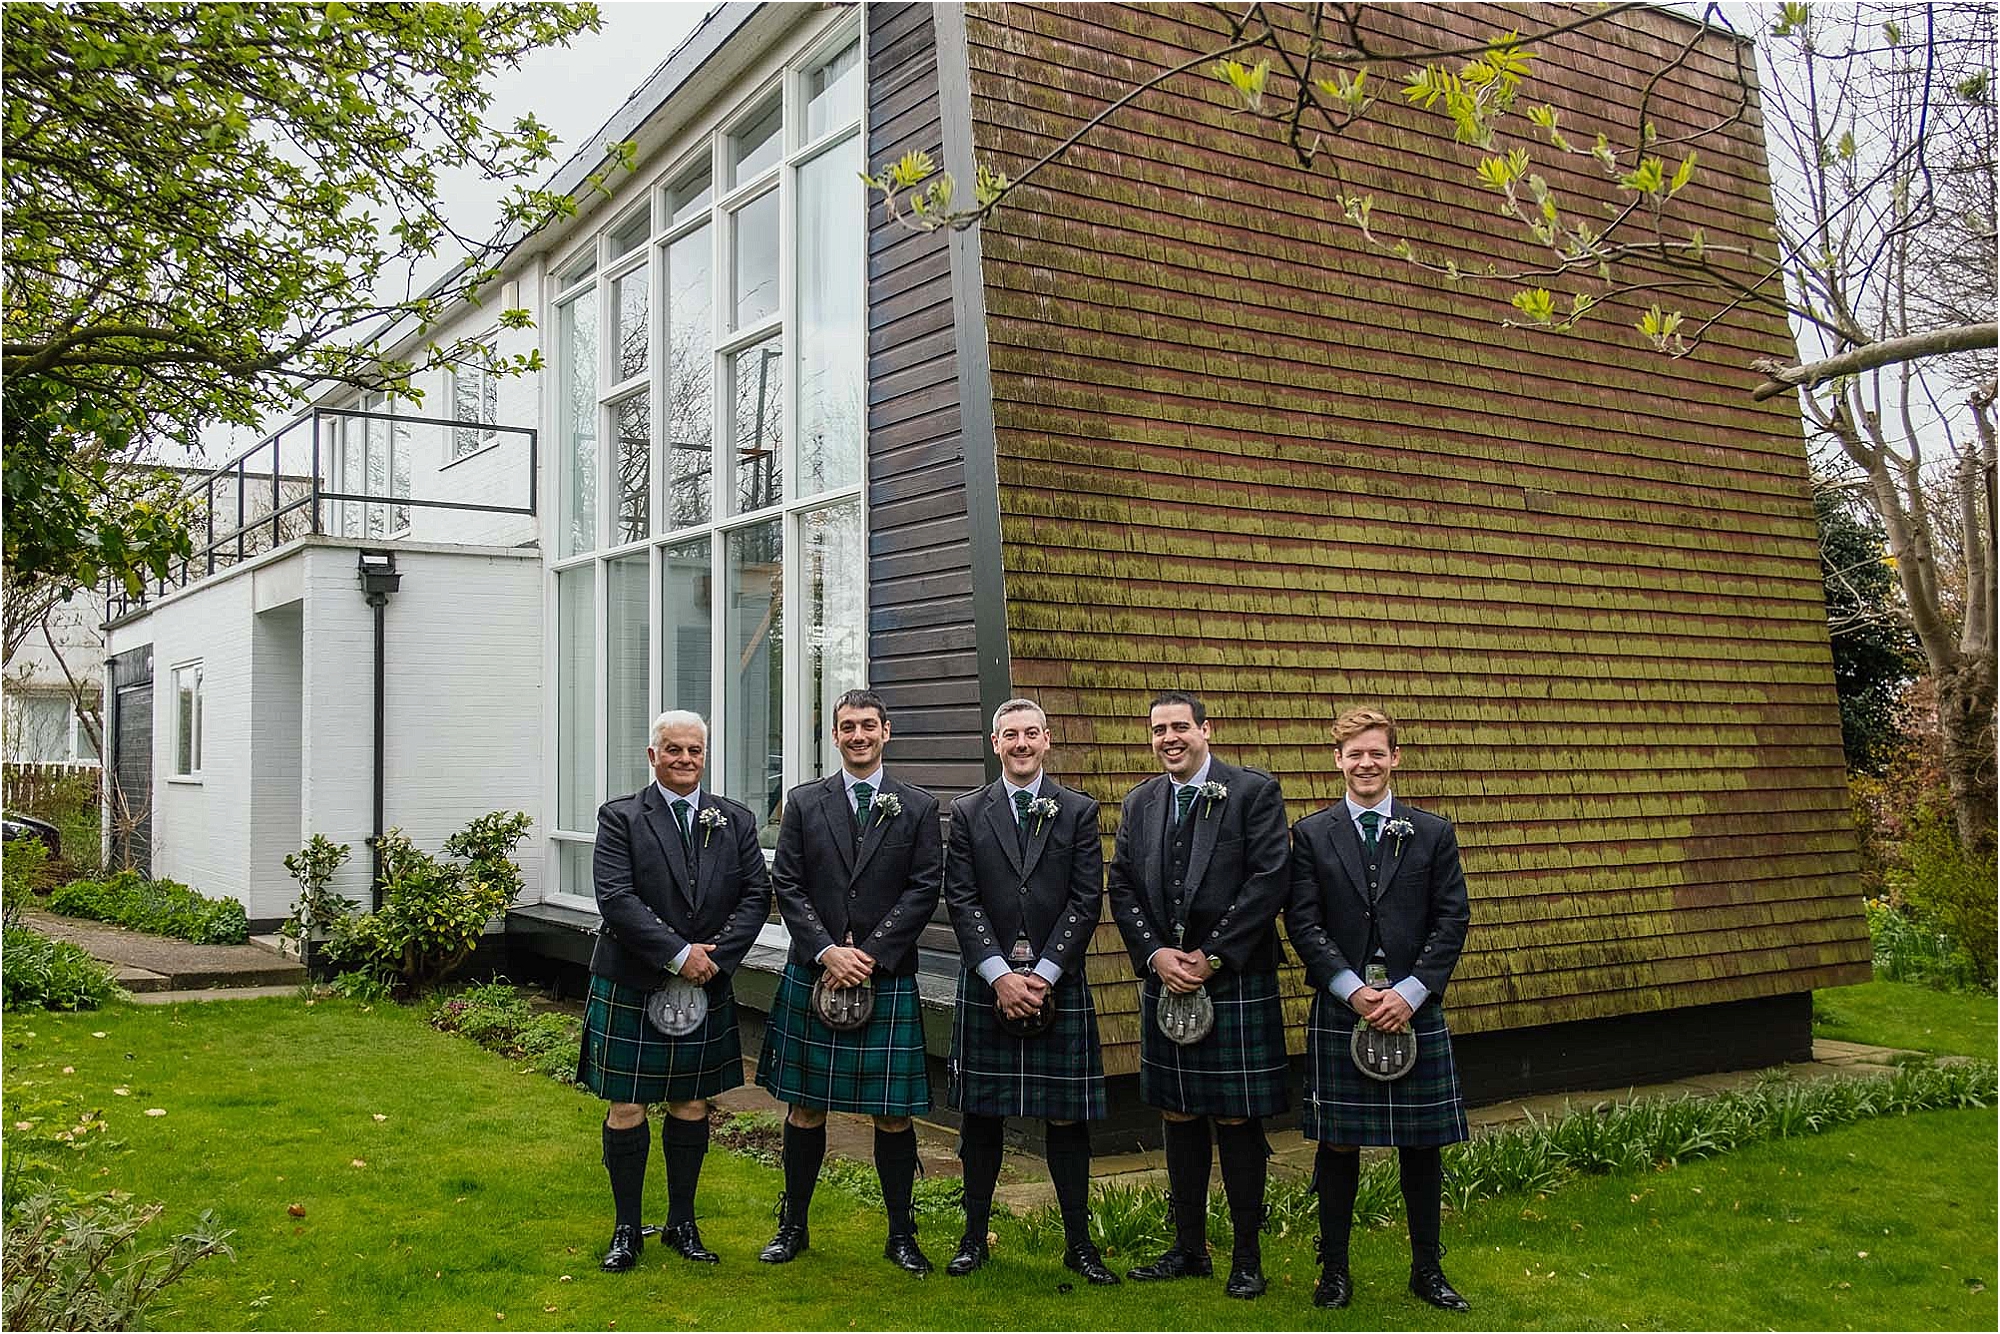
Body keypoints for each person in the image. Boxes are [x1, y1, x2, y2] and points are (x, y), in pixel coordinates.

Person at [1285, 706, 1472, 1313]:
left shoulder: (1433, 832)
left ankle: (1427, 1270)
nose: (1366, 764)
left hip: (1413, 1007)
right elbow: (1304, 923)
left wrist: (1410, 992)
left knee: (1422, 1143)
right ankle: (1333, 1272)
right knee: (1338, 1142)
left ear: (1395, 758)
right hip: (1345, 1009)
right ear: (1337, 760)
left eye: (1377, 753)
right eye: (1354, 754)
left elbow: (1451, 921)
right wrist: (1351, 989)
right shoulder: (1311, 834)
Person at [1106, 689, 1290, 1298]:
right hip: (1166, 979)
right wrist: (1156, 956)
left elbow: (1269, 882)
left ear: (1206, 729)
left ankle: (1246, 1256)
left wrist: (1211, 957)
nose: (1169, 739)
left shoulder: (1252, 792)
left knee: (1237, 1116)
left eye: (1179, 727)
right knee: (1177, 1110)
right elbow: (1123, 884)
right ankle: (1188, 1247)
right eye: (1158, 730)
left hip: (1234, 979)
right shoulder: (1140, 801)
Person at [755, 688, 943, 1275]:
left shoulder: (916, 806)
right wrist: (828, 951)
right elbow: (787, 881)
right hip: (816, 971)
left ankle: (901, 1233)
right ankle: (794, 1226)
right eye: (846, 727)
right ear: (833, 736)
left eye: (868, 725)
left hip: (884, 976)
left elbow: (924, 886)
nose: (857, 735)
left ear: (887, 732)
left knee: (893, 1114)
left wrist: (873, 953)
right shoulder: (805, 803)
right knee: (806, 1108)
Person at [581, 710, 772, 1271]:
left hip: (707, 981)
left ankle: (682, 1223)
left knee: (691, 1103)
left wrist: (712, 958)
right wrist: (678, 953)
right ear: (652, 756)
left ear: (705, 755)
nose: (684, 759)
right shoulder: (620, 818)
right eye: (673, 750)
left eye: (694, 750)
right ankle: (625, 1229)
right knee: (627, 1104)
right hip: (633, 980)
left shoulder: (733, 819)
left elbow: (755, 898)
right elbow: (616, 898)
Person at [939, 698, 1118, 1286]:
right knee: (980, 1117)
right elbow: (960, 898)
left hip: (1055, 984)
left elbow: (1085, 899)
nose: (1021, 744)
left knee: (1067, 1121)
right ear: (995, 743)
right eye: (1009, 734)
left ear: (1047, 740)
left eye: (1031, 733)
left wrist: (1042, 975)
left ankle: (1080, 1245)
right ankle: (973, 1239)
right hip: (989, 982)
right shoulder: (967, 812)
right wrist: (999, 975)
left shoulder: (1077, 810)